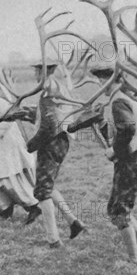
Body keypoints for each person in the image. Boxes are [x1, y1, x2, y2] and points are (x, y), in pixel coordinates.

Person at [90, 66, 137, 266]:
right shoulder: (121, 99)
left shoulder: (118, 100)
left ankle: (135, 259)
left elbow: (127, 128)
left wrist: (114, 151)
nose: (99, 83)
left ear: (114, 80)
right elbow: (120, 129)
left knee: (118, 210)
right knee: (117, 207)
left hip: (133, 160)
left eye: (102, 79)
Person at [24, 61, 87, 248]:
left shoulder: (47, 92)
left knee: (42, 191)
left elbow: (49, 125)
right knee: (48, 185)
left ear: (43, 72)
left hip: (51, 142)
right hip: (62, 140)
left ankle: (53, 240)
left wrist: (31, 145)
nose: (35, 73)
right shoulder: (57, 87)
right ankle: (74, 223)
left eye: (36, 70)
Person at [0, 64, 42, 224]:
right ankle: (5, 208)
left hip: (7, 142)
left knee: (9, 178)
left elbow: (8, 118)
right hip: (2, 142)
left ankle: (33, 207)